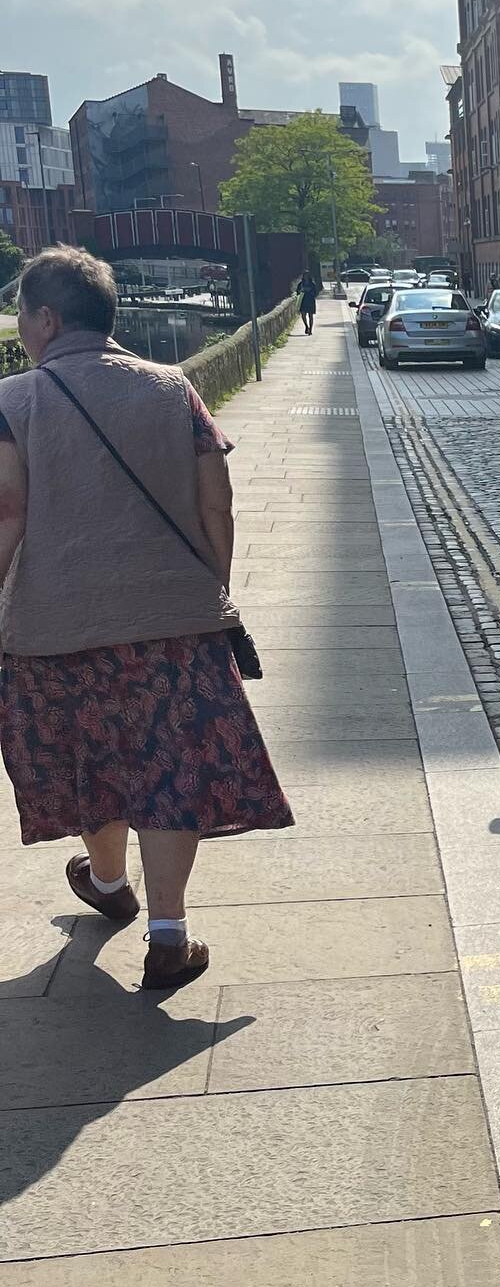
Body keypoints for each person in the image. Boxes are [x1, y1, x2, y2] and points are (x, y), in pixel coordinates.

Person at [0, 247, 292, 991]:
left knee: (90, 762)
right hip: (175, 622)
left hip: (54, 629)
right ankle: (168, 935)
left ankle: (105, 881)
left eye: (26, 314)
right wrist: (208, 590)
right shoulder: (174, 389)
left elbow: (6, 511)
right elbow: (215, 501)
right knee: (171, 771)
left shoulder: (14, 401)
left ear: (46, 318)